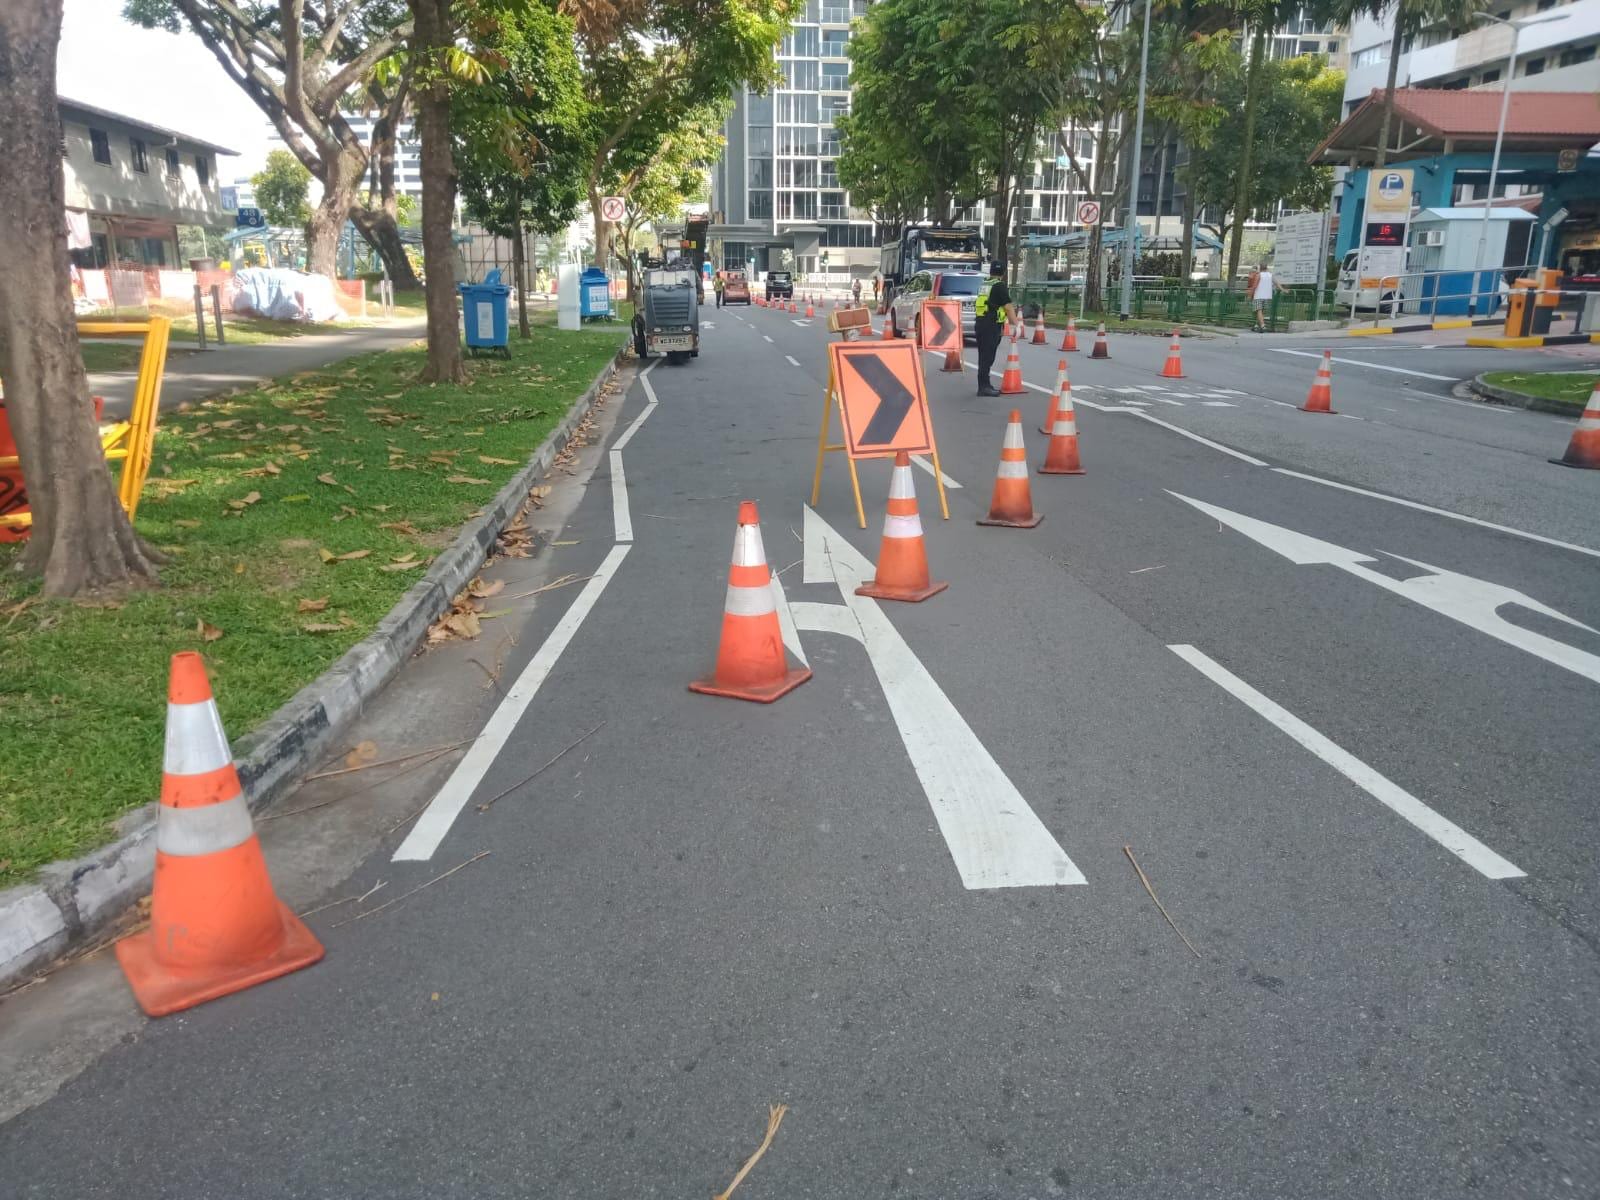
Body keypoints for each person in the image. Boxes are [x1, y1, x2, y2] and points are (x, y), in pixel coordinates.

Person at [974, 260, 1017, 397]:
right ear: (1004, 273)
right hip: (991, 324)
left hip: (981, 322)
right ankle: (984, 387)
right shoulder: (999, 286)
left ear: (990, 271)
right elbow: (1008, 307)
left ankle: (985, 384)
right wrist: (1016, 324)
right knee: (988, 356)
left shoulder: (985, 284)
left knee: (983, 355)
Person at [1249, 261, 1274, 331]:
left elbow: (1253, 285)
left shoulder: (1258, 275)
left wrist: (1251, 294)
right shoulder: (1269, 274)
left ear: (1260, 267)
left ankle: (1262, 325)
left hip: (1258, 295)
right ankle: (1257, 324)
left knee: (1258, 310)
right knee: (1261, 311)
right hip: (1267, 296)